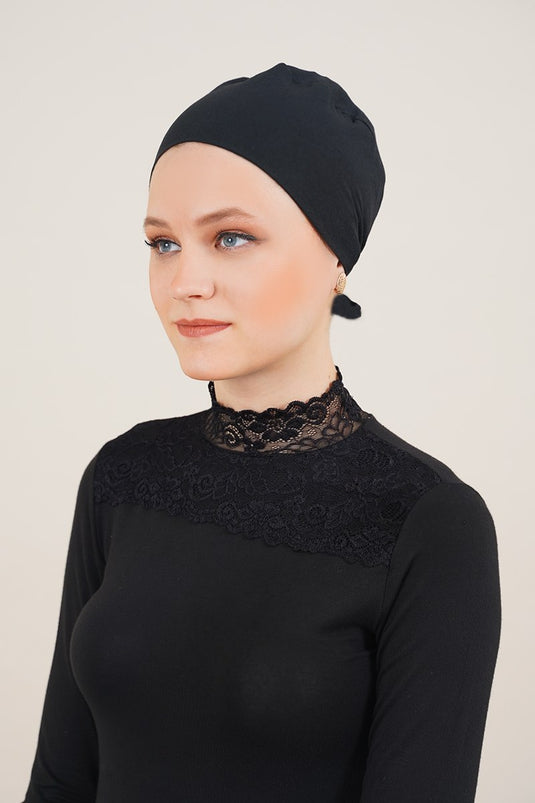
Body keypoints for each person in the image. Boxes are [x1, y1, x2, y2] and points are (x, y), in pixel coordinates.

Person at [22, 63, 501, 802]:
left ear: (335, 259)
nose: (185, 282)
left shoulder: (426, 521)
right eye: (163, 243)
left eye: (232, 237)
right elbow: (59, 780)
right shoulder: (123, 476)